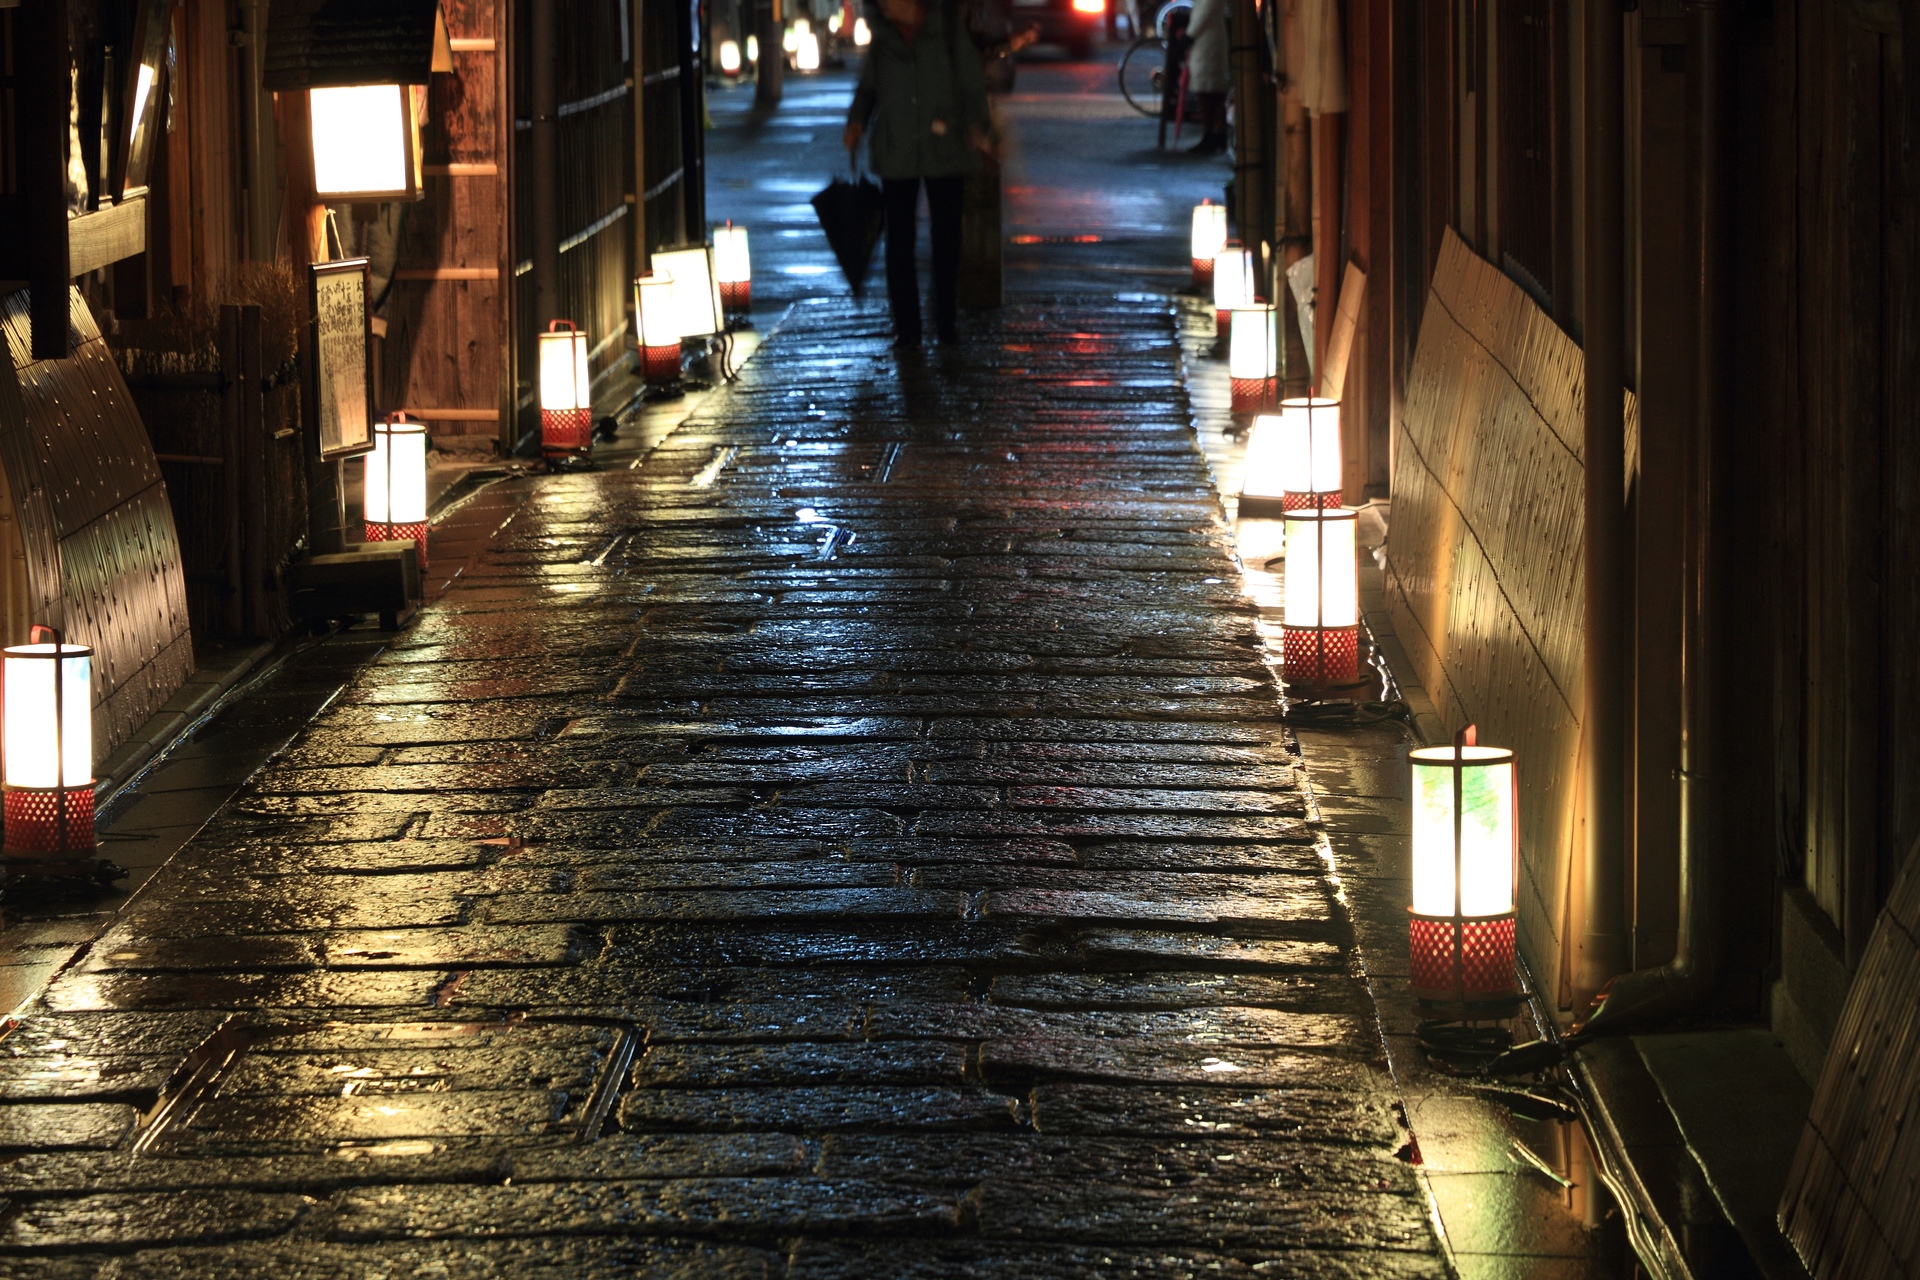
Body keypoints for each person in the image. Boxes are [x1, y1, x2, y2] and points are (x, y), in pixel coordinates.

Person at [843, 0, 995, 346]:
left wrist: (977, 126)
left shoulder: (945, 27)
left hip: (946, 147)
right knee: (899, 242)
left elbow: (970, 80)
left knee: (946, 239)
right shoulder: (882, 36)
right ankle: (908, 331)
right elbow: (868, 87)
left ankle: (946, 323)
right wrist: (856, 120)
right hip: (897, 149)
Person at [1184, 0, 1229, 154]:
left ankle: (1210, 136)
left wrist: (1189, 34)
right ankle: (1217, 136)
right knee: (1214, 93)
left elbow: (1205, 11)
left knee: (1208, 92)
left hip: (1207, 41)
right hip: (1209, 38)